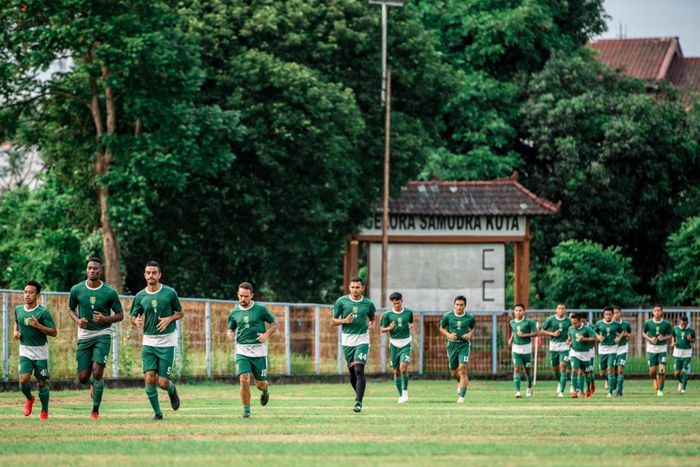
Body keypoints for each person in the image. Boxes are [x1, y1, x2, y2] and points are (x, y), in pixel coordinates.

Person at [68, 257, 124, 419]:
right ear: (87, 270)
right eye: (90, 268)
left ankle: (95, 410)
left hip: (103, 334)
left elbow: (120, 315)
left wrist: (105, 319)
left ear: (101, 270)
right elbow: (70, 309)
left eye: (95, 268)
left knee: (98, 372)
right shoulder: (76, 290)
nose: (92, 271)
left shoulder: (109, 292)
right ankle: (93, 384)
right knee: (83, 377)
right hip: (84, 336)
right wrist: (78, 320)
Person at [129, 260, 183, 420]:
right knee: (149, 377)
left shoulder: (170, 292)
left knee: (163, 382)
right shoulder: (140, 296)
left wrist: (169, 319)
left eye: (154, 272)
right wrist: (135, 321)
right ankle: (158, 414)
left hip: (167, 341)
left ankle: (172, 392)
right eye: (148, 273)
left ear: (159, 275)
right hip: (149, 341)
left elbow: (180, 313)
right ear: (145, 275)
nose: (151, 275)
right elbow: (132, 315)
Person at [227, 282, 277, 418]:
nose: (243, 299)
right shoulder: (234, 312)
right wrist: (230, 333)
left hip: (259, 351)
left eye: (246, 296)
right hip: (242, 350)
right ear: (237, 295)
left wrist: (266, 335)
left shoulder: (260, 309)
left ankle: (265, 391)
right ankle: (246, 412)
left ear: (252, 296)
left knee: (260, 384)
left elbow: (274, 324)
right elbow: (230, 327)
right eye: (241, 296)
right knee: (244, 379)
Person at [332, 276, 376, 413]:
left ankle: (358, 402)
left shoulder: (368, 304)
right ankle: (358, 394)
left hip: (362, 339)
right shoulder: (341, 301)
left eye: (357, 287)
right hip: (347, 340)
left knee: (358, 369)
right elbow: (333, 321)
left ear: (363, 288)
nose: (355, 290)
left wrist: (371, 324)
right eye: (352, 287)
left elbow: (372, 319)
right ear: (349, 288)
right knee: (352, 373)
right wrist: (344, 321)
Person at [14, 281, 57, 420]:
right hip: (25, 350)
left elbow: (53, 332)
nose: (27, 295)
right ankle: (29, 398)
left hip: (40, 352)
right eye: (25, 292)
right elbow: (17, 321)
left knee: (42, 383)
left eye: (31, 292)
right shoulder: (18, 309)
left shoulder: (43, 312)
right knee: (23, 379)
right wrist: (15, 332)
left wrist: (38, 325)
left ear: (37, 295)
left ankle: (44, 411)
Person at [439, 295, 476, 403]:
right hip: (452, 346)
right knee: (453, 373)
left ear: (465, 306)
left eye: (461, 305)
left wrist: (469, 334)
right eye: (457, 305)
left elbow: (473, 328)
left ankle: (462, 397)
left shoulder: (469, 318)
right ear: (454, 305)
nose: (459, 307)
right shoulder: (447, 316)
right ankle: (460, 382)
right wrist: (448, 335)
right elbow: (441, 328)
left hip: (464, 345)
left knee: (463, 369)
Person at [380, 292, 414, 403]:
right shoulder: (387, 314)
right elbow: (382, 329)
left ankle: (405, 392)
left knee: (403, 368)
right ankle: (401, 395)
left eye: (398, 303)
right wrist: (389, 328)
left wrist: (411, 326)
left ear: (402, 301)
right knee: (396, 371)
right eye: (394, 303)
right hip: (394, 344)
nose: (396, 305)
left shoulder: (408, 312)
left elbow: (411, 322)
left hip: (406, 343)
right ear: (392, 303)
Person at [540, 303, 571, 397]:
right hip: (554, 346)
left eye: (563, 308)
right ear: (556, 310)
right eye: (559, 308)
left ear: (565, 310)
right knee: (555, 368)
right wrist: (552, 334)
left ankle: (561, 391)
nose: (561, 310)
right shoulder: (551, 319)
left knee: (563, 366)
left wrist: (570, 339)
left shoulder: (568, 321)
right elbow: (542, 330)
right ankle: (559, 381)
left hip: (565, 346)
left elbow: (573, 331)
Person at [642, 305, 673, 396]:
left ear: (662, 312)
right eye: (655, 310)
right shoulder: (648, 323)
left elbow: (670, 335)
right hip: (651, 349)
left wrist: (664, 338)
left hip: (662, 349)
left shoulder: (666, 324)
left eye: (659, 310)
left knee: (662, 370)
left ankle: (660, 390)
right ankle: (655, 378)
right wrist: (650, 339)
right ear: (653, 312)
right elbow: (643, 333)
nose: (657, 312)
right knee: (652, 371)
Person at [508, 303, 538, 398]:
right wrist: (511, 338)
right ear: (514, 312)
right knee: (516, 368)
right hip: (516, 348)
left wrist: (524, 335)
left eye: (520, 310)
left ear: (524, 312)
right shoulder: (512, 322)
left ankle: (529, 386)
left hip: (527, 349)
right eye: (516, 310)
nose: (518, 312)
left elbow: (536, 333)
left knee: (527, 370)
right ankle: (518, 391)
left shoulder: (529, 322)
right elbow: (514, 331)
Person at [567, 313, 597, 399]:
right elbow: (570, 337)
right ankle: (575, 391)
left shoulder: (587, 329)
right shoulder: (570, 328)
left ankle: (588, 390)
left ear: (580, 321)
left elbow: (595, 338)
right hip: (574, 352)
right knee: (574, 370)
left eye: (575, 323)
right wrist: (568, 341)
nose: (573, 325)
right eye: (572, 323)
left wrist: (585, 339)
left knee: (587, 374)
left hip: (586, 354)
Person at [594, 307, 622, 398]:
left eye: (610, 314)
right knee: (602, 373)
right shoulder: (599, 323)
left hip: (613, 349)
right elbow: (594, 331)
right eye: (606, 314)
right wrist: (598, 337)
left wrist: (618, 338)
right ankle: (612, 383)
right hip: (602, 350)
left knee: (610, 370)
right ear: (604, 315)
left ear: (612, 315)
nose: (608, 316)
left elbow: (622, 332)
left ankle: (610, 392)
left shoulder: (616, 324)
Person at [671, 316, 696, 394]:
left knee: (684, 371)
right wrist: (672, 342)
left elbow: (694, 340)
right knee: (676, 373)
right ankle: (681, 382)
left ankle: (683, 389)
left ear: (687, 323)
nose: (683, 325)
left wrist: (690, 339)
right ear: (680, 322)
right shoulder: (675, 328)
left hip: (687, 353)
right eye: (682, 324)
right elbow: (673, 336)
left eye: (684, 324)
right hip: (677, 352)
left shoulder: (691, 330)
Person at [612, 307, 631, 397]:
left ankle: (619, 391)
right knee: (613, 371)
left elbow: (629, 335)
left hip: (623, 349)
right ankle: (616, 385)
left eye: (617, 312)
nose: (616, 314)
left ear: (620, 313)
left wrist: (626, 335)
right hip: (612, 349)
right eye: (614, 313)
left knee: (620, 370)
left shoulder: (625, 324)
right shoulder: (610, 324)